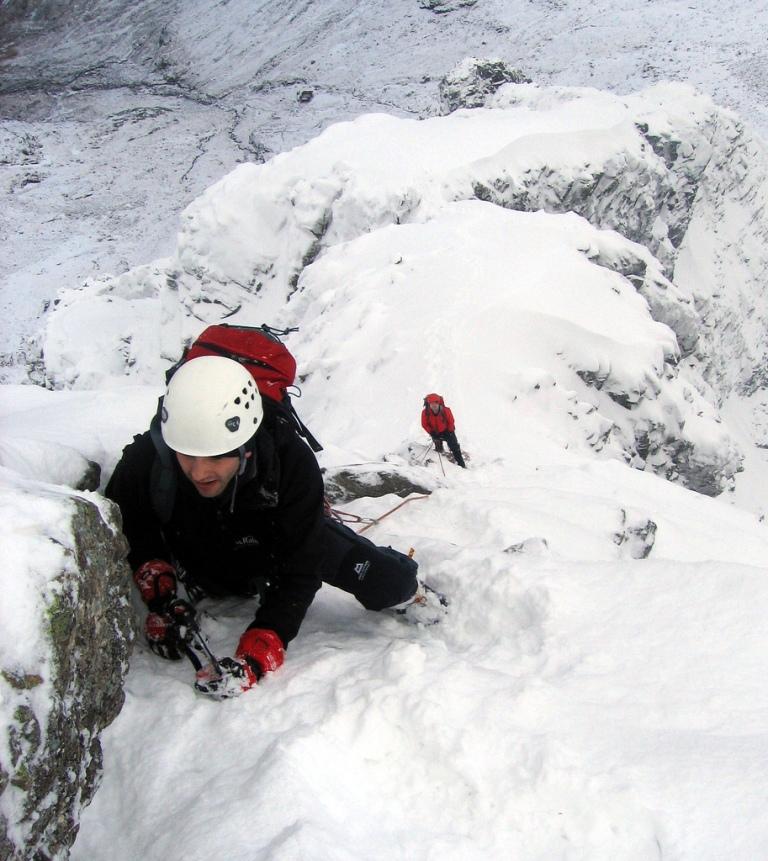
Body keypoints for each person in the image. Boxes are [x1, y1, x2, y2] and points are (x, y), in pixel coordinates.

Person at [106, 356, 446, 700]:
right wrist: (160, 594)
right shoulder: (147, 459)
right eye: (187, 455)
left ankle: (406, 583)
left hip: (274, 544)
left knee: (391, 582)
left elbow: (302, 566)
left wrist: (265, 641)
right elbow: (134, 528)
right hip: (203, 555)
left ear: (247, 447)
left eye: (217, 456)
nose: (198, 471)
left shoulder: (288, 461)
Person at [421, 393, 466, 468]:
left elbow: (451, 421)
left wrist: (450, 432)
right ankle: (442, 461)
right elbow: (424, 424)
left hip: (447, 431)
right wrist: (431, 432)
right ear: (429, 404)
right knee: (438, 448)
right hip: (435, 432)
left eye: (435, 404)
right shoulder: (425, 413)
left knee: (454, 447)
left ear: (438, 403)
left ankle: (461, 464)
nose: (433, 406)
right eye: (431, 404)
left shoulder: (446, 410)